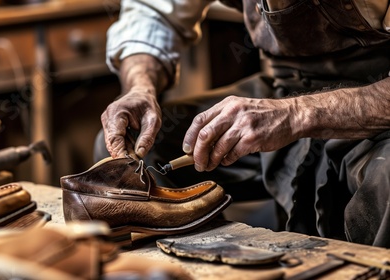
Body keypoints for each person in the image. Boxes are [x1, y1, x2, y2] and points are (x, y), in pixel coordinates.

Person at [94, 0, 390, 248]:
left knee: (386, 176)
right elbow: (155, 13)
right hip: (287, 87)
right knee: (136, 149)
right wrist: (139, 86)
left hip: (376, 96)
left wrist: (298, 113)